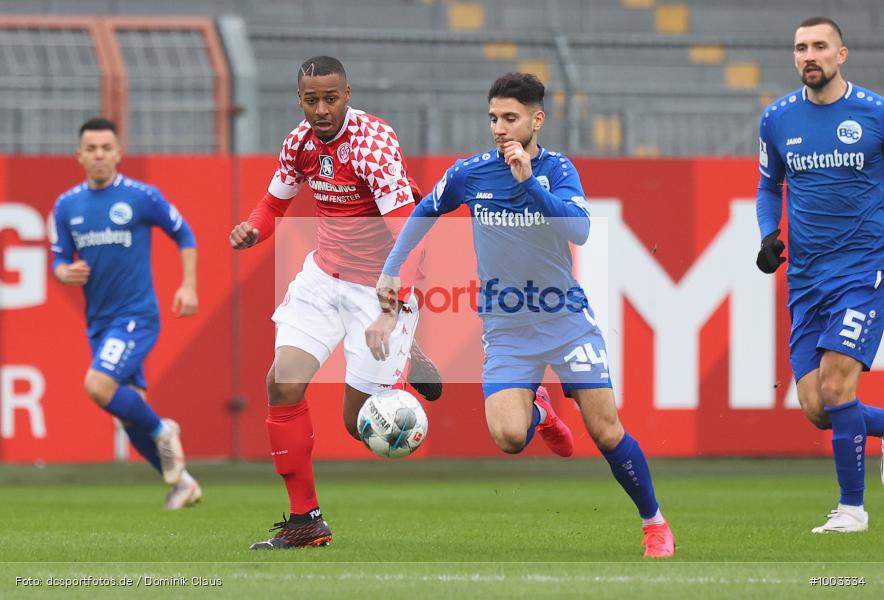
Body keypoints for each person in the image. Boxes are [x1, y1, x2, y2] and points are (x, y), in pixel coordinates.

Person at [372, 73, 675, 557]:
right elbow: (425, 209)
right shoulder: (470, 173)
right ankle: (539, 410)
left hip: (565, 319)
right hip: (507, 326)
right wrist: (392, 270)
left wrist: (529, 183)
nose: (499, 128)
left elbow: (578, 231)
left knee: (605, 431)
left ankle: (654, 524)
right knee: (509, 437)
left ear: (537, 119)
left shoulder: (558, 170)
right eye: (493, 117)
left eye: (510, 118)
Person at [230, 56, 442, 550]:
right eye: (311, 99)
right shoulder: (298, 142)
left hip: (380, 283)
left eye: (331, 98)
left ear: (347, 94)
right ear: (299, 99)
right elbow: (273, 205)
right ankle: (306, 520)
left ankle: (405, 358)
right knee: (281, 384)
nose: (321, 109)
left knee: (360, 425)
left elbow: (408, 236)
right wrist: (252, 229)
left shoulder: (373, 144)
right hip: (324, 276)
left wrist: (391, 311)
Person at [755, 17, 884, 534]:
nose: (809, 55)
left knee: (836, 386)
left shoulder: (875, 113)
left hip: (863, 271)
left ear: (842, 54)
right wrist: (768, 234)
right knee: (816, 405)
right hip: (807, 279)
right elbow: (769, 187)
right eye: (800, 48)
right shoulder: (776, 119)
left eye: (819, 47)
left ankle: (852, 509)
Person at [49, 117, 201, 510]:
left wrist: (188, 285)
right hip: (98, 322)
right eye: (91, 149)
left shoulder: (140, 196)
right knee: (128, 413)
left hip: (136, 315)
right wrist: (64, 272)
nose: (99, 155)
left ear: (118, 153)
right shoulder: (67, 206)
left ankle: (164, 430)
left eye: (106, 148)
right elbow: (60, 258)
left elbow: (184, 233)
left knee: (97, 385)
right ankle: (183, 483)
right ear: (79, 155)